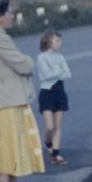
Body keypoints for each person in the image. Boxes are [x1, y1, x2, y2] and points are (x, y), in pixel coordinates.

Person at [0, 0, 45, 182]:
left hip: (4, 102)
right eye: (9, 13)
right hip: (5, 104)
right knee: (6, 159)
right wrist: (29, 60)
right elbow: (25, 65)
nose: (12, 16)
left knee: (11, 157)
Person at [36, 29, 72, 165]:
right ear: (48, 41)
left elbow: (68, 74)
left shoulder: (60, 57)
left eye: (60, 40)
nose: (60, 43)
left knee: (58, 126)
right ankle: (48, 142)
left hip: (60, 92)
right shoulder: (41, 57)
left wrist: (55, 71)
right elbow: (46, 75)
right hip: (47, 93)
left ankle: (56, 154)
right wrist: (58, 70)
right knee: (49, 126)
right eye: (57, 40)